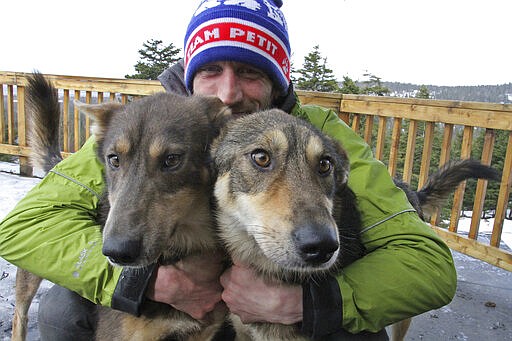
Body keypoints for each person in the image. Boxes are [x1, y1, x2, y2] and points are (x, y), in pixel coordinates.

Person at [0, 0, 457, 340]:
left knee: (355, 328)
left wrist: (309, 302)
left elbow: (427, 266)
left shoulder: (316, 135)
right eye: (212, 69)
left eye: (250, 72)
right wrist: (140, 280)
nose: (228, 93)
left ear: (278, 80)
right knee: (62, 309)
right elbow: (24, 227)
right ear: (191, 77)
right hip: (178, 298)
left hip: (262, 303)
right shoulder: (153, 129)